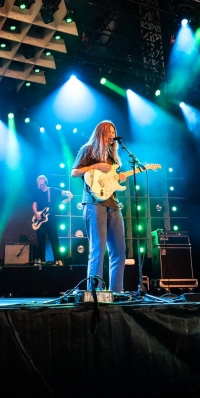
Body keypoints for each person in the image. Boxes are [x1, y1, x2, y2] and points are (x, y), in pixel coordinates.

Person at [71, 120, 127, 293]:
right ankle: (95, 292)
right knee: (98, 250)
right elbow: (74, 172)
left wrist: (120, 178)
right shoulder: (87, 149)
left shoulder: (112, 155)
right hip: (94, 204)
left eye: (114, 130)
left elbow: (109, 182)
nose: (112, 134)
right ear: (101, 132)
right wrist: (96, 166)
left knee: (119, 252)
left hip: (113, 204)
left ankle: (116, 292)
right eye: (109, 131)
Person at [32, 174, 73, 265]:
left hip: (51, 218)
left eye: (41, 184)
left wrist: (69, 194)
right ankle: (41, 259)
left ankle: (58, 259)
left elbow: (63, 192)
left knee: (54, 238)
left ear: (45, 182)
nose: (40, 186)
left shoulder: (52, 190)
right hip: (40, 218)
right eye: (39, 184)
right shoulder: (36, 192)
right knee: (41, 239)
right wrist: (36, 214)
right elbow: (34, 204)